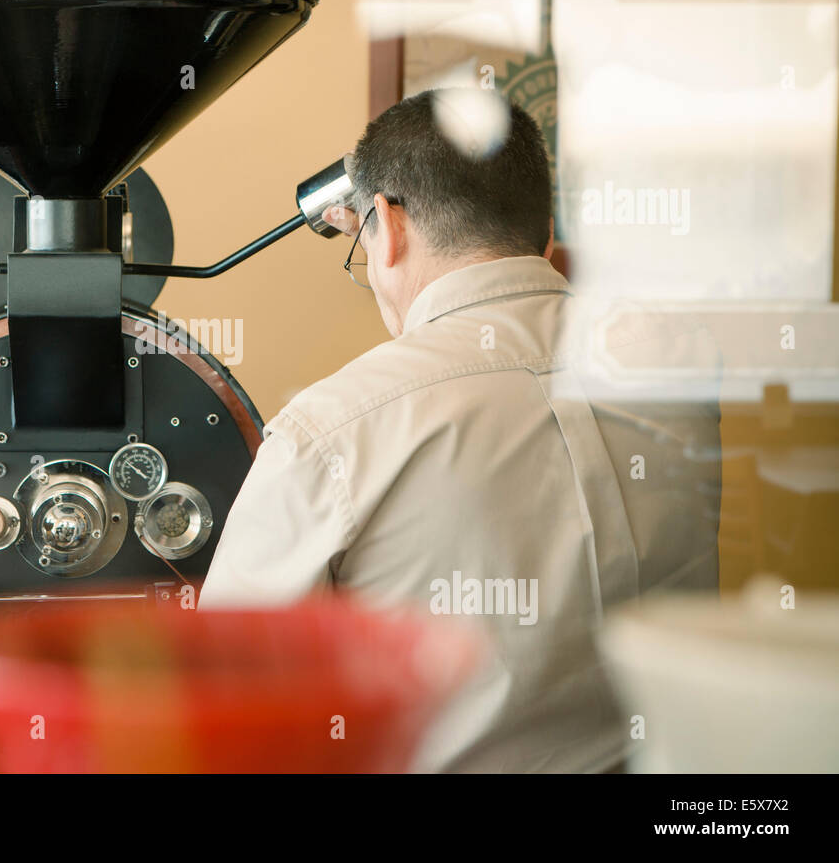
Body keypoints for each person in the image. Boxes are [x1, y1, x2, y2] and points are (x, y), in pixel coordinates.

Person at [198, 89, 720, 772]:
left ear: (387, 222)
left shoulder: (330, 435)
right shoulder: (681, 380)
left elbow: (218, 713)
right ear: (544, 229)